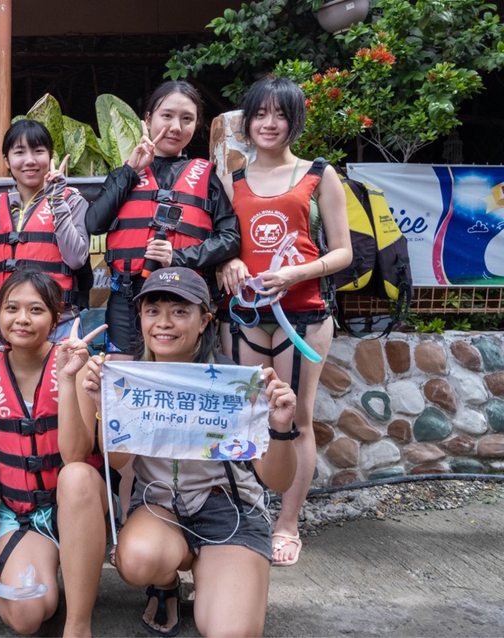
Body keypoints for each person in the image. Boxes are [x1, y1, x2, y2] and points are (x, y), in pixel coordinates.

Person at [69, 266, 298, 636]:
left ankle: (216, 574)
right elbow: (119, 462)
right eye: (153, 310)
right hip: (160, 507)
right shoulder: (128, 378)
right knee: (138, 560)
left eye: (179, 311)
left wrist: (282, 425)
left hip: (229, 510)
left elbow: (279, 479)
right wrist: (104, 410)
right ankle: (165, 584)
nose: (164, 323)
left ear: (205, 320)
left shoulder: (236, 382)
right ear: (140, 317)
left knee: (230, 632)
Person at [216, 76, 350, 568]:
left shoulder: (319, 174)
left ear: (294, 122)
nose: (270, 124)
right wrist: (225, 263)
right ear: (247, 122)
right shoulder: (231, 180)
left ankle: (288, 523)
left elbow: (343, 251)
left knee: (296, 417)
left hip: (305, 313)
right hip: (246, 315)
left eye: (281, 115)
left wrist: (297, 271)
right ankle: (246, 514)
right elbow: (222, 241)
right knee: (247, 416)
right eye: (261, 114)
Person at [0, 270, 107, 636]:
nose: (23, 320)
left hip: (72, 505)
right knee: (26, 616)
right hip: (21, 513)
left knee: (76, 476)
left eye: (36, 309)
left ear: (56, 316)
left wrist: (67, 378)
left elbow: (77, 454)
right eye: (12, 308)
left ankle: (79, 624)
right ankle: (52, 565)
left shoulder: (74, 365)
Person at [86, 80, 240, 360]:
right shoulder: (126, 173)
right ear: (148, 119)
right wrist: (131, 169)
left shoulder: (207, 176)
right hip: (128, 297)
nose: (176, 127)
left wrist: (179, 256)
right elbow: (94, 223)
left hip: (185, 300)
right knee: (126, 386)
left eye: (187, 119)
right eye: (166, 116)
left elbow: (230, 238)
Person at [0, 119, 90, 344]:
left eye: (39, 151)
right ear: (6, 160)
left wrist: (56, 201)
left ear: (50, 157)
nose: (30, 161)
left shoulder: (72, 201)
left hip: (59, 326)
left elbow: (76, 258)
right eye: (20, 152)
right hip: (7, 328)